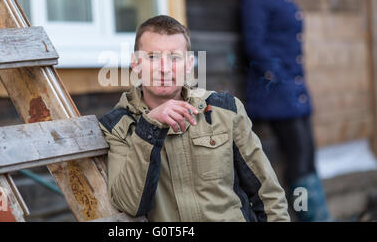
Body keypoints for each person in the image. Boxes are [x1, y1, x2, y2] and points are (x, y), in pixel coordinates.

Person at [98, 15, 289, 221]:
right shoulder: (117, 127)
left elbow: (268, 194)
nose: (164, 68)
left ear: (188, 64)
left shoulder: (225, 111)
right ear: (136, 64)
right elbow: (130, 204)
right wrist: (149, 127)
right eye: (152, 57)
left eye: (174, 58)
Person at [240, 0, 331, 222]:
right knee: (298, 159)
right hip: (278, 90)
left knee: (309, 156)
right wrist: (277, 75)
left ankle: (319, 215)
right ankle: (310, 218)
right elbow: (254, 44)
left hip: (296, 88)